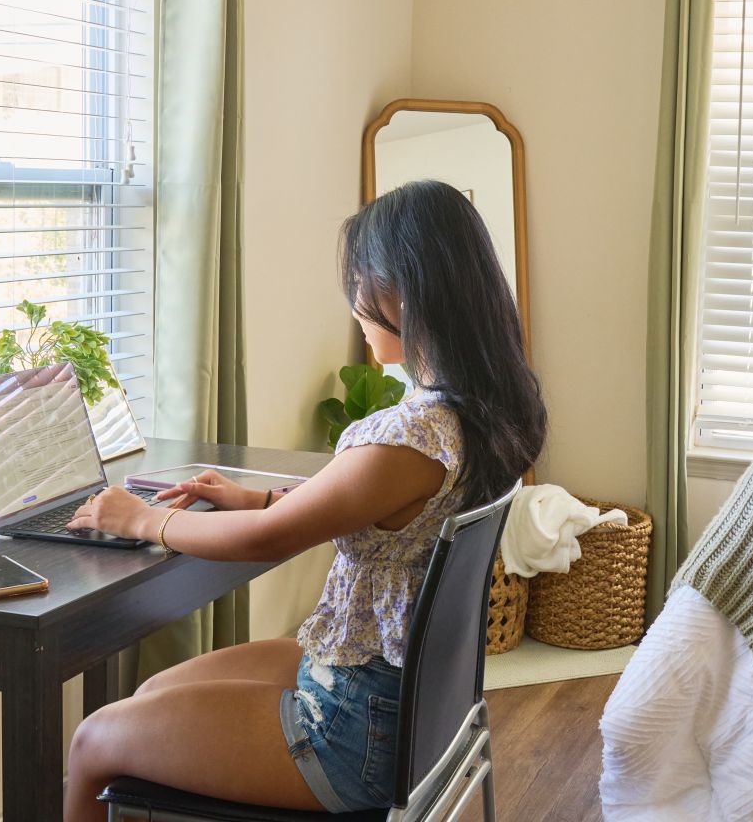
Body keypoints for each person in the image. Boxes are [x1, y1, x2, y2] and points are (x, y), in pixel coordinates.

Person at [61, 179, 547, 820]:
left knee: (95, 738)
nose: (354, 304)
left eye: (361, 285)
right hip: (402, 700)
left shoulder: (412, 436)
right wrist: (256, 496)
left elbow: (270, 541)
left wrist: (145, 518)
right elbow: (362, 507)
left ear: (404, 291)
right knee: (148, 696)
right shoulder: (475, 414)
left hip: (351, 728)